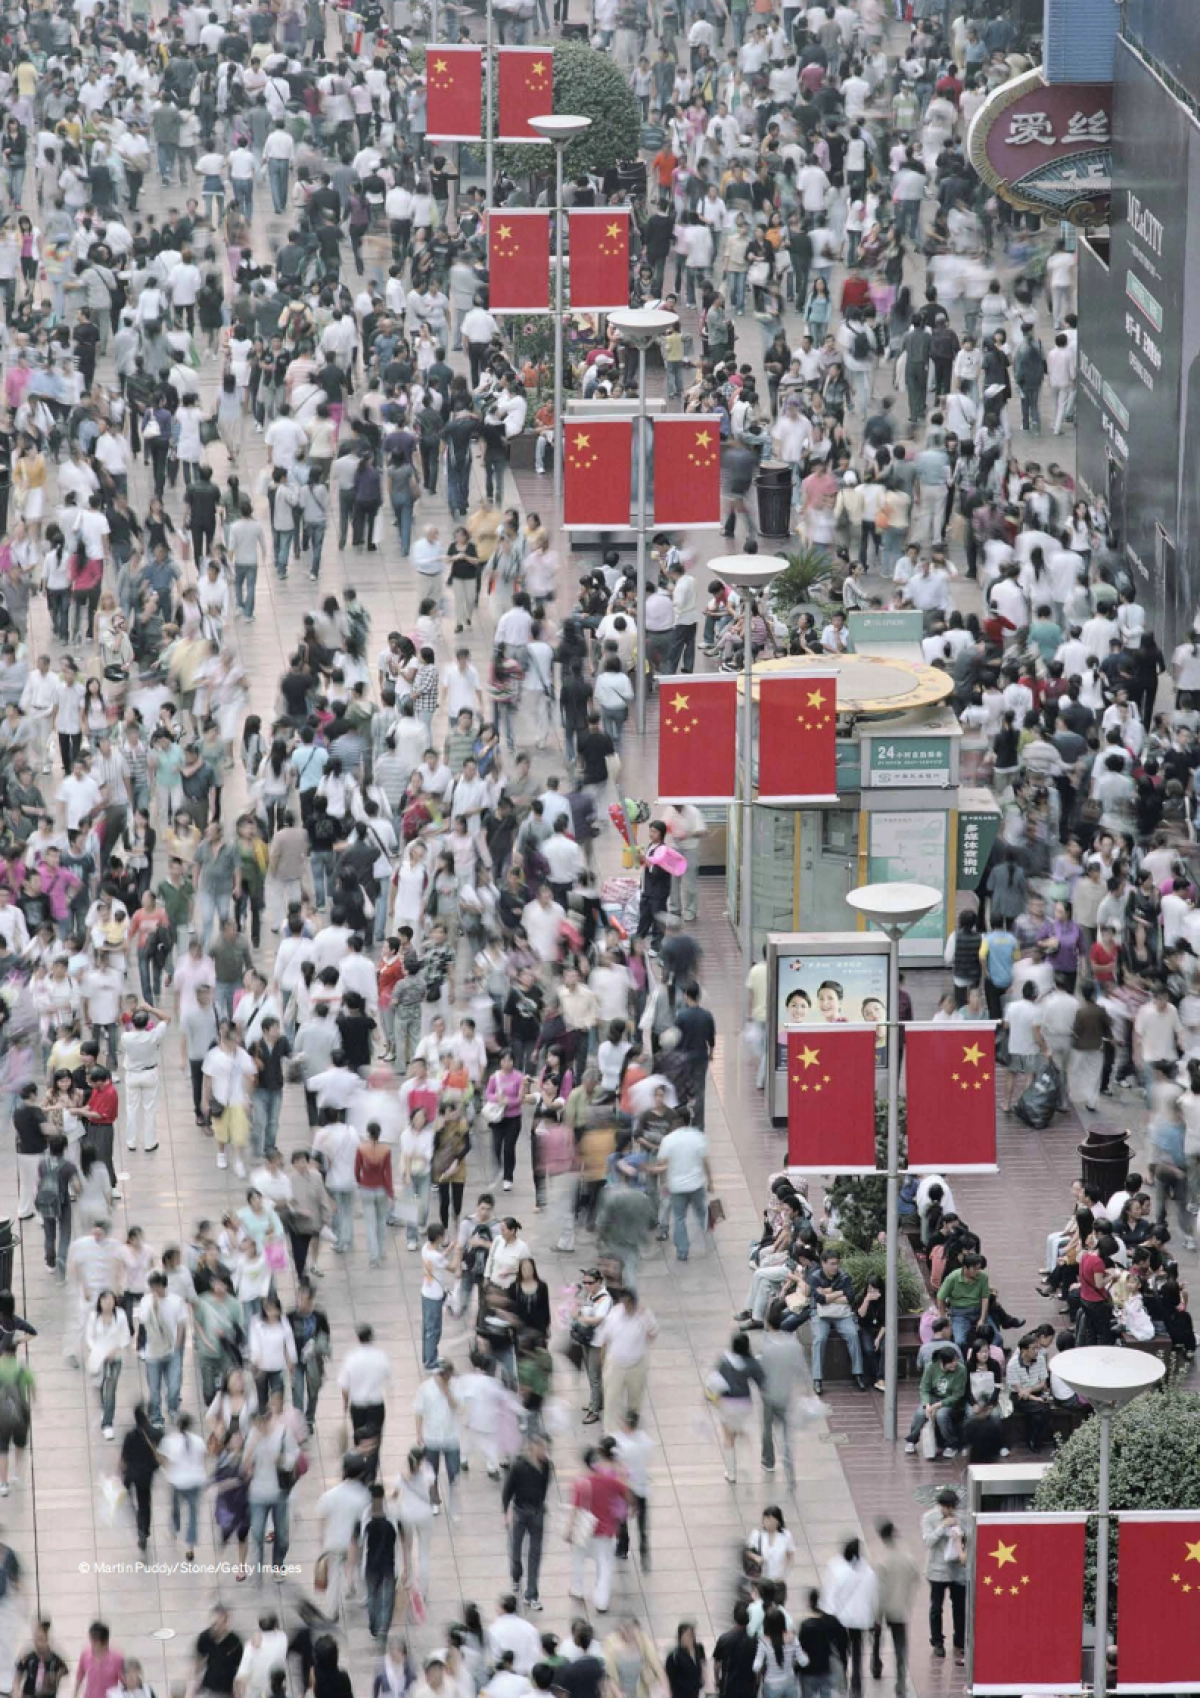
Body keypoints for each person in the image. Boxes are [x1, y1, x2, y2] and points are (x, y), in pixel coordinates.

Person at [502, 1433, 551, 1612]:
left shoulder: (546, 1466)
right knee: (515, 1551)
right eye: (542, 1448)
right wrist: (505, 1512)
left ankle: (532, 1594)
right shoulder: (519, 1466)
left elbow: (545, 1486)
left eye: (546, 1448)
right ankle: (516, 1575)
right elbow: (507, 1490)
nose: (545, 1451)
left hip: (537, 1512)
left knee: (535, 1554)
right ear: (533, 1447)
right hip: (520, 1512)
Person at [921, 1488, 969, 1664]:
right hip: (937, 1569)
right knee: (936, 1607)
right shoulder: (929, 1518)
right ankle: (937, 1641)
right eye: (947, 1507)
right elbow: (928, 1541)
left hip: (957, 1569)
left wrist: (959, 1531)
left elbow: (967, 1539)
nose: (950, 1511)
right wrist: (942, 1527)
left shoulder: (960, 1517)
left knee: (959, 1606)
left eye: (952, 1507)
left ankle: (959, 1638)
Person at [871, 1520, 918, 1696]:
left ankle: (876, 1665)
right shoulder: (907, 1557)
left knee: (876, 1637)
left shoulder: (882, 1560)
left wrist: (876, 1616)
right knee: (900, 1647)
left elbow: (878, 1591)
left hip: (884, 1607)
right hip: (901, 1608)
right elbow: (915, 1577)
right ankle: (900, 1682)